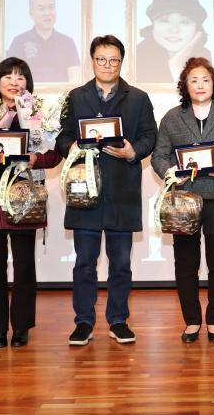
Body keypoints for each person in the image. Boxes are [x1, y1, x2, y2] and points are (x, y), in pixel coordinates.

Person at [57, 35, 157, 346]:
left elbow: (149, 136)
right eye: (101, 59)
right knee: (84, 263)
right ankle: (83, 321)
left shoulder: (138, 98)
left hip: (122, 191)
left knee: (121, 263)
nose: (107, 65)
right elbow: (61, 136)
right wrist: (70, 145)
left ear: (121, 62)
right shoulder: (76, 96)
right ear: (92, 60)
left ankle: (118, 320)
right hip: (83, 191)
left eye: (114, 60)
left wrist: (133, 152)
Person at [0, 58, 62, 349]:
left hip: (24, 197)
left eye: (21, 77)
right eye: (9, 76)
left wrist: (35, 158)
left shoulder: (37, 116)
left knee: (24, 265)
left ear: (28, 84)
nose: (15, 82)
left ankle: (21, 327)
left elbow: (53, 156)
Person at [151, 57, 214, 342]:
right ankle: (192, 320)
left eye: (205, 79)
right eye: (193, 80)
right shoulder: (172, 117)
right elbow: (159, 155)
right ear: (185, 85)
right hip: (183, 199)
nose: (200, 85)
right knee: (186, 261)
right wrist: (170, 172)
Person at [136, 0, 212, 83]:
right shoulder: (135, 58)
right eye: (164, 20)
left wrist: (177, 68)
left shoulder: (207, 58)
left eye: (184, 22)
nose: (174, 29)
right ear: (153, 26)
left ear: (197, 29)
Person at [6, 0, 80, 83]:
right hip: (28, 96)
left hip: (62, 96)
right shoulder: (19, 41)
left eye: (51, 7)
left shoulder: (67, 42)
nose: (47, 13)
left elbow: (75, 79)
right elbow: (11, 78)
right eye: (41, 9)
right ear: (31, 14)